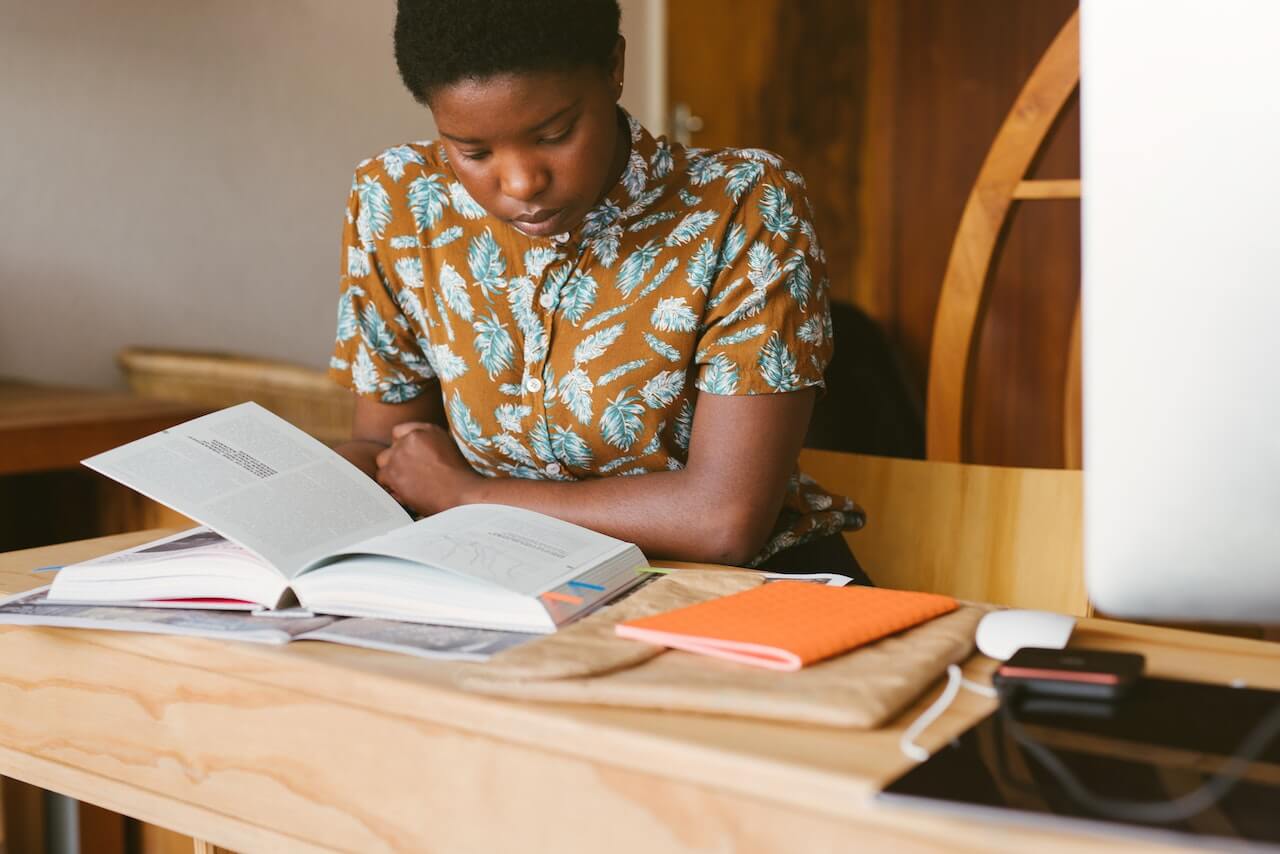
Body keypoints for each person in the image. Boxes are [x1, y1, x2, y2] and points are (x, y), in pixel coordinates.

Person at [329, 0, 869, 581]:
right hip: (504, 582)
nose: (521, 183)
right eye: (474, 152)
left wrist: (470, 496)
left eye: (555, 133)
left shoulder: (743, 206)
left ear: (614, 67)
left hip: (737, 591)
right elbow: (396, 455)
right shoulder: (400, 202)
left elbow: (723, 522)